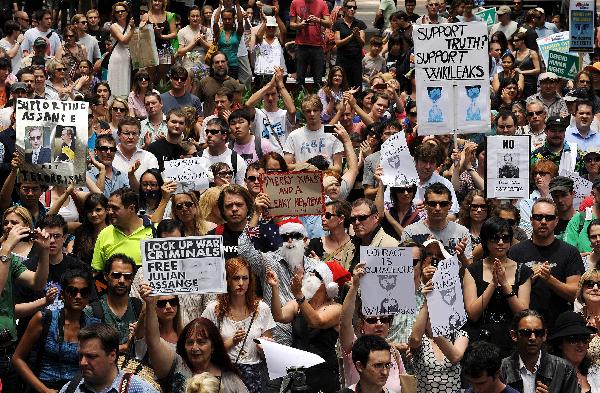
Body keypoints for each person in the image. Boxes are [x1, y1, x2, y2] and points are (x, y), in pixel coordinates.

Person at [140, 282, 249, 393]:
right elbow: (153, 342)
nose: (195, 347)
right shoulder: (177, 367)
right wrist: (150, 305)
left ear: (213, 346)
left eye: (201, 342)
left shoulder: (231, 380)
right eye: (190, 342)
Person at [12, 269, 100, 392]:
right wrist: (44, 390)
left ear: (88, 297)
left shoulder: (94, 326)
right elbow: (17, 358)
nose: (78, 296)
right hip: (44, 385)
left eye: (84, 292)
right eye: (72, 291)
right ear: (63, 294)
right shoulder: (44, 319)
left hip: (78, 388)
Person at [508, 198, 585, 329]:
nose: (543, 222)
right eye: (538, 217)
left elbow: (576, 295)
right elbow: (506, 290)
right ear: (531, 220)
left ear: (556, 221)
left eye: (549, 218)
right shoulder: (515, 252)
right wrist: (527, 280)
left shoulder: (570, 252)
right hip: (525, 328)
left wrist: (550, 279)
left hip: (559, 327)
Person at [268, 261, 343, 393]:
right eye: (310, 274)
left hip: (323, 372)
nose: (309, 277)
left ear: (326, 285)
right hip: (299, 372)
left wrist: (299, 295)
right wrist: (275, 287)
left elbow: (317, 321)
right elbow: (279, 316)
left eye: (315, 275)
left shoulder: (336, 308)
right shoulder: (297, 305)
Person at [202, 257, 275, 392]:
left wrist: (264, 347)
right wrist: (231, 341)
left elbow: (268, 352)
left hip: (255, 374)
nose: (241, 283)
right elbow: (204, 349)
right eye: (235, 278)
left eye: (245, 278)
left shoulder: (262, 308)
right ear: (227, 280)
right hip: (224, 373)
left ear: (250, 281)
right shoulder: (213, 309)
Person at [463, 216, 532, 357]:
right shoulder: (473, 270)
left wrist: (505, 284)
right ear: (485, 240)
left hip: (511, 341)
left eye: (505, 238)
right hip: (481, 341)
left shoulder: (522, 271)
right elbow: (473, 314)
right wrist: (493, 284)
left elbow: (523, 314)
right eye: (495, 238)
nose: (500, 243)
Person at [339, 262, 405, 391]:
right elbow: (345, 323)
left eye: (384, 319)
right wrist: (355, 286)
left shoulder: (394, 353)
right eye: (372, 319)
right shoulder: (353, 347)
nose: (379, 323)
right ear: (361, 324)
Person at [409, 273, 469, 392]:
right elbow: (414, 341)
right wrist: (427, 301)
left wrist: (435, 332)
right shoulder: (421, 339)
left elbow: (455, 357)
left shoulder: (459, 334)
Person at [58, 324, 160, 393]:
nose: (83, 362)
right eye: (81, 356)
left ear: (112, 356)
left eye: (91, 356)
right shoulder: (70, 389)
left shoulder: (139, 389)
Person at [500, 309, 579, 392]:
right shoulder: (501, 369)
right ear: (514, 335)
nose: (533, 338)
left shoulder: (564, 369)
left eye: (539, 333)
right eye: (526, 332)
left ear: (544, 335)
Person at [401, 182, 472, 264]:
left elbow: (470, 271)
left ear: (450, 205)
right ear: (425, 205)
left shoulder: (462, 233)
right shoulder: (410, 232)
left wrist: (462, 256)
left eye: (443, 204)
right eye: (432, 204)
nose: (438, 208)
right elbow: (404, 268)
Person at [85, 254, 142, 352]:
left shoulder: (139, 307)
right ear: (106, 276)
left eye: (127, 276)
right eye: (116, 275)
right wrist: (125, 347)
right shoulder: (93, 311)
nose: (121, 281)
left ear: (133, 279)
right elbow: (88, 349)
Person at [91, 188, 154, 271]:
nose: (109, 212)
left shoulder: (154, 231)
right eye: (108, 208)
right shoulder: (105, 233)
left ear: (131, 208)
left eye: (115, 208)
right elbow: (96, 272)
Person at [283, 94, 344, 171]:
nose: (312, 114)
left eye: (315, 110)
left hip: (327, 177)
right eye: (308, 111)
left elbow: (338, 168)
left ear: (320, 111)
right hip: (303, 178)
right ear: (303, 113)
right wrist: (308, 165)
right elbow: (286, 166)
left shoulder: (332, 131)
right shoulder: (294, 135)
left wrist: (324, 166)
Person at [245, 68, 296, 154]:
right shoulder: (257, 114)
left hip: (282, 160)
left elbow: (292, 110)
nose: (270, 98)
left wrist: (280, 84)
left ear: (278, 95)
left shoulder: (284, 114)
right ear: (263, 96)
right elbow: (248, 104)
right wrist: (269, 86)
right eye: (267, 94)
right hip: (263, 159)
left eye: (273, 94)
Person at [549, 311, 600, 393]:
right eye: (573, 339)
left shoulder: (596, 372)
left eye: (584, 339)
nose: (581, 345)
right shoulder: (548, 376)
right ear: (560, 344)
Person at [349, 198, 399, 270]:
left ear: (375, 217)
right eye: (353, 219)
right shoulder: (350, 245)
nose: (356, 222)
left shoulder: (391, 246)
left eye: (362, 217)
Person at [289, 0, 331, 86]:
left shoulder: (322, 3)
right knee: (299, 79)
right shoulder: (295, 2)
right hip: (301, 45)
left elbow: (329, 23)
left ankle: (318, 99)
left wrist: (318, 20)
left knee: (318, 80)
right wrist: (299, 25)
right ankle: (300, 98)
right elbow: (291, 24)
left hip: (317, 45)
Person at [208, 184, 254, 260]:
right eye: (229, 205)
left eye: (239, 204)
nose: (234, 209)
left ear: (248, 207)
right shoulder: (212, 238)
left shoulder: (262, 234)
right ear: (222, 210)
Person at [112, 116, 160, 189]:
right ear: (119, 134)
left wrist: (132, 176)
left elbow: (153, 187)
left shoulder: (149, 157)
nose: (131, 137)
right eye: (126, 133)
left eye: (134, 133)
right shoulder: (110, 155)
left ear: (139, 134)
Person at [201, 117, 247, 185]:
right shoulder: (198, 158)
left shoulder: (236, 160)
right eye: (207, 132)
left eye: (214, 132)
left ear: (224, 135)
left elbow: (241, 190)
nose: (209, 135)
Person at [107, 3, 139, 98]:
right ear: (114, 14)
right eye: (117, 12)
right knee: (117, 83)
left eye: (122, 11)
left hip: (130, 56)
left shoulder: (131, 25)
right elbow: (124, 40)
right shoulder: (113, 26)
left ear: (127, 12)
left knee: (127, 83)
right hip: (118, 57)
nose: (120, 13)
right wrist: (133, 29)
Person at [72, 193, 109, 266]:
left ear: (107, 210)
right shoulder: (80, 230)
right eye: (90, 211)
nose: (94, 214)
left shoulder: (114, 232)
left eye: (98, 210)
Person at [512, 30, 541, 100]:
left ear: (522, 41)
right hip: (517, 83)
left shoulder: (532, 53)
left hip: (530, 84)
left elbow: (538, 70)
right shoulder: (514, 54)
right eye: (513, 41)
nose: (514, 43)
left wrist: (522, 72)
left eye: (516, 41)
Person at [548, 176, 576, 241]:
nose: (560, 200)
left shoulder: (582, 221)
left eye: (563, 195)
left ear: (573, 194)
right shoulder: (549, 222)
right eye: (556, 196)